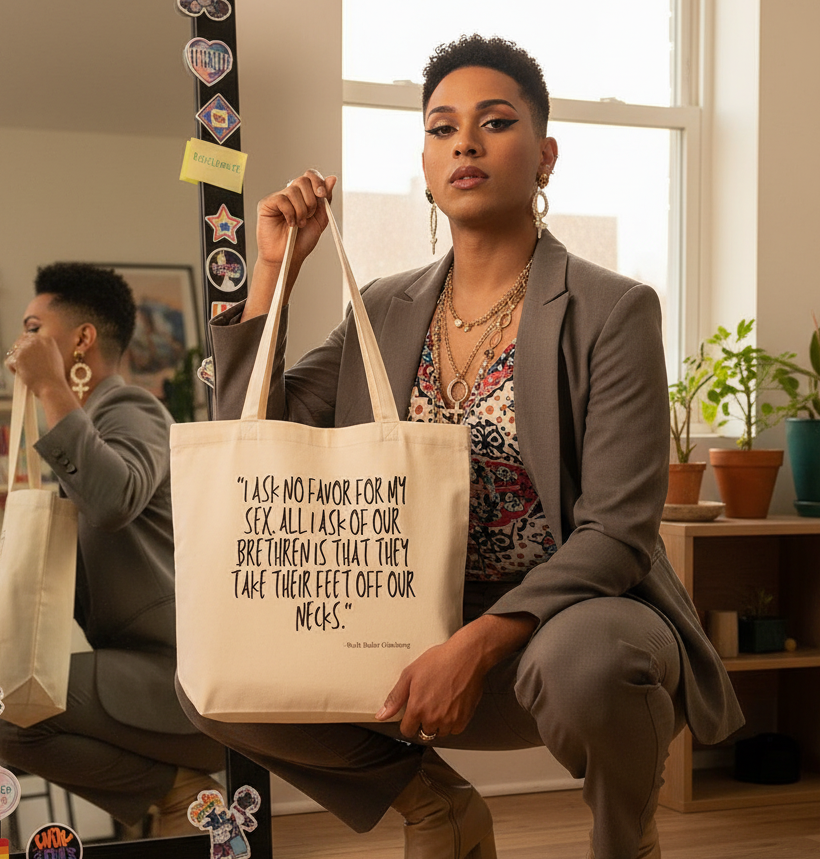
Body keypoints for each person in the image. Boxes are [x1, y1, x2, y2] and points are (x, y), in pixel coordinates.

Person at [177, 36, 744, 859]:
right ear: (425, 163)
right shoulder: (381, 308)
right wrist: (276, 270)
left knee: (586, 660)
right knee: (218, 676)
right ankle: (436, 805)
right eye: (441, 129)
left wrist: (472, 646)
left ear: (544, 156)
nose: (464, 144)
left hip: (566, 625)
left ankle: (626, 838)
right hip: (405, 620)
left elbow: (617, 533)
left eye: (495, 122)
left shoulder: (612, 309)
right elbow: (252, 433)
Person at [2, 263, 226, 838]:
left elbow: (111, 501)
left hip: (176, 674)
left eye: (34, 328)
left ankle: (179, 793)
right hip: (138, 669)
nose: (22, 343)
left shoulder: (130, 407)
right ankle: (180, 793)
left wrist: (50, 387)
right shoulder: (87, 423)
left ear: (82, 339)